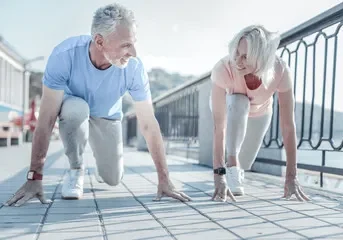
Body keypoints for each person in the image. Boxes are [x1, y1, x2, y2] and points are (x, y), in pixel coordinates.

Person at [5, 3, 191, 207]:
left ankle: (101, 159)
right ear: (99, 41)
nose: (133, 52)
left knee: (113, 178)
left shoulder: (134, 69)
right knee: (76, 110)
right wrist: (34, 177)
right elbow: (47, 119)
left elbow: (148, 123)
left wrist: (164, 179)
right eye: (126, 45)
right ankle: (76, 170)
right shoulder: (64, 56)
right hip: (75, 110)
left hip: (107, 116)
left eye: (134, 43)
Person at [210, 25, 310, 202]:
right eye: (236, 54)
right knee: (237, 100)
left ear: (261, 58)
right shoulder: (223, 69)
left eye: (245, 57)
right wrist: (219, 175)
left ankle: (237, 167)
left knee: (246, 162)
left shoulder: (280, 70)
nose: (237, 61)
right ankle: (231, 165)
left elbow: (288, 126)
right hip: (232, 107)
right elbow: (219, 127)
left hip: (261, 111)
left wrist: (291, 176)